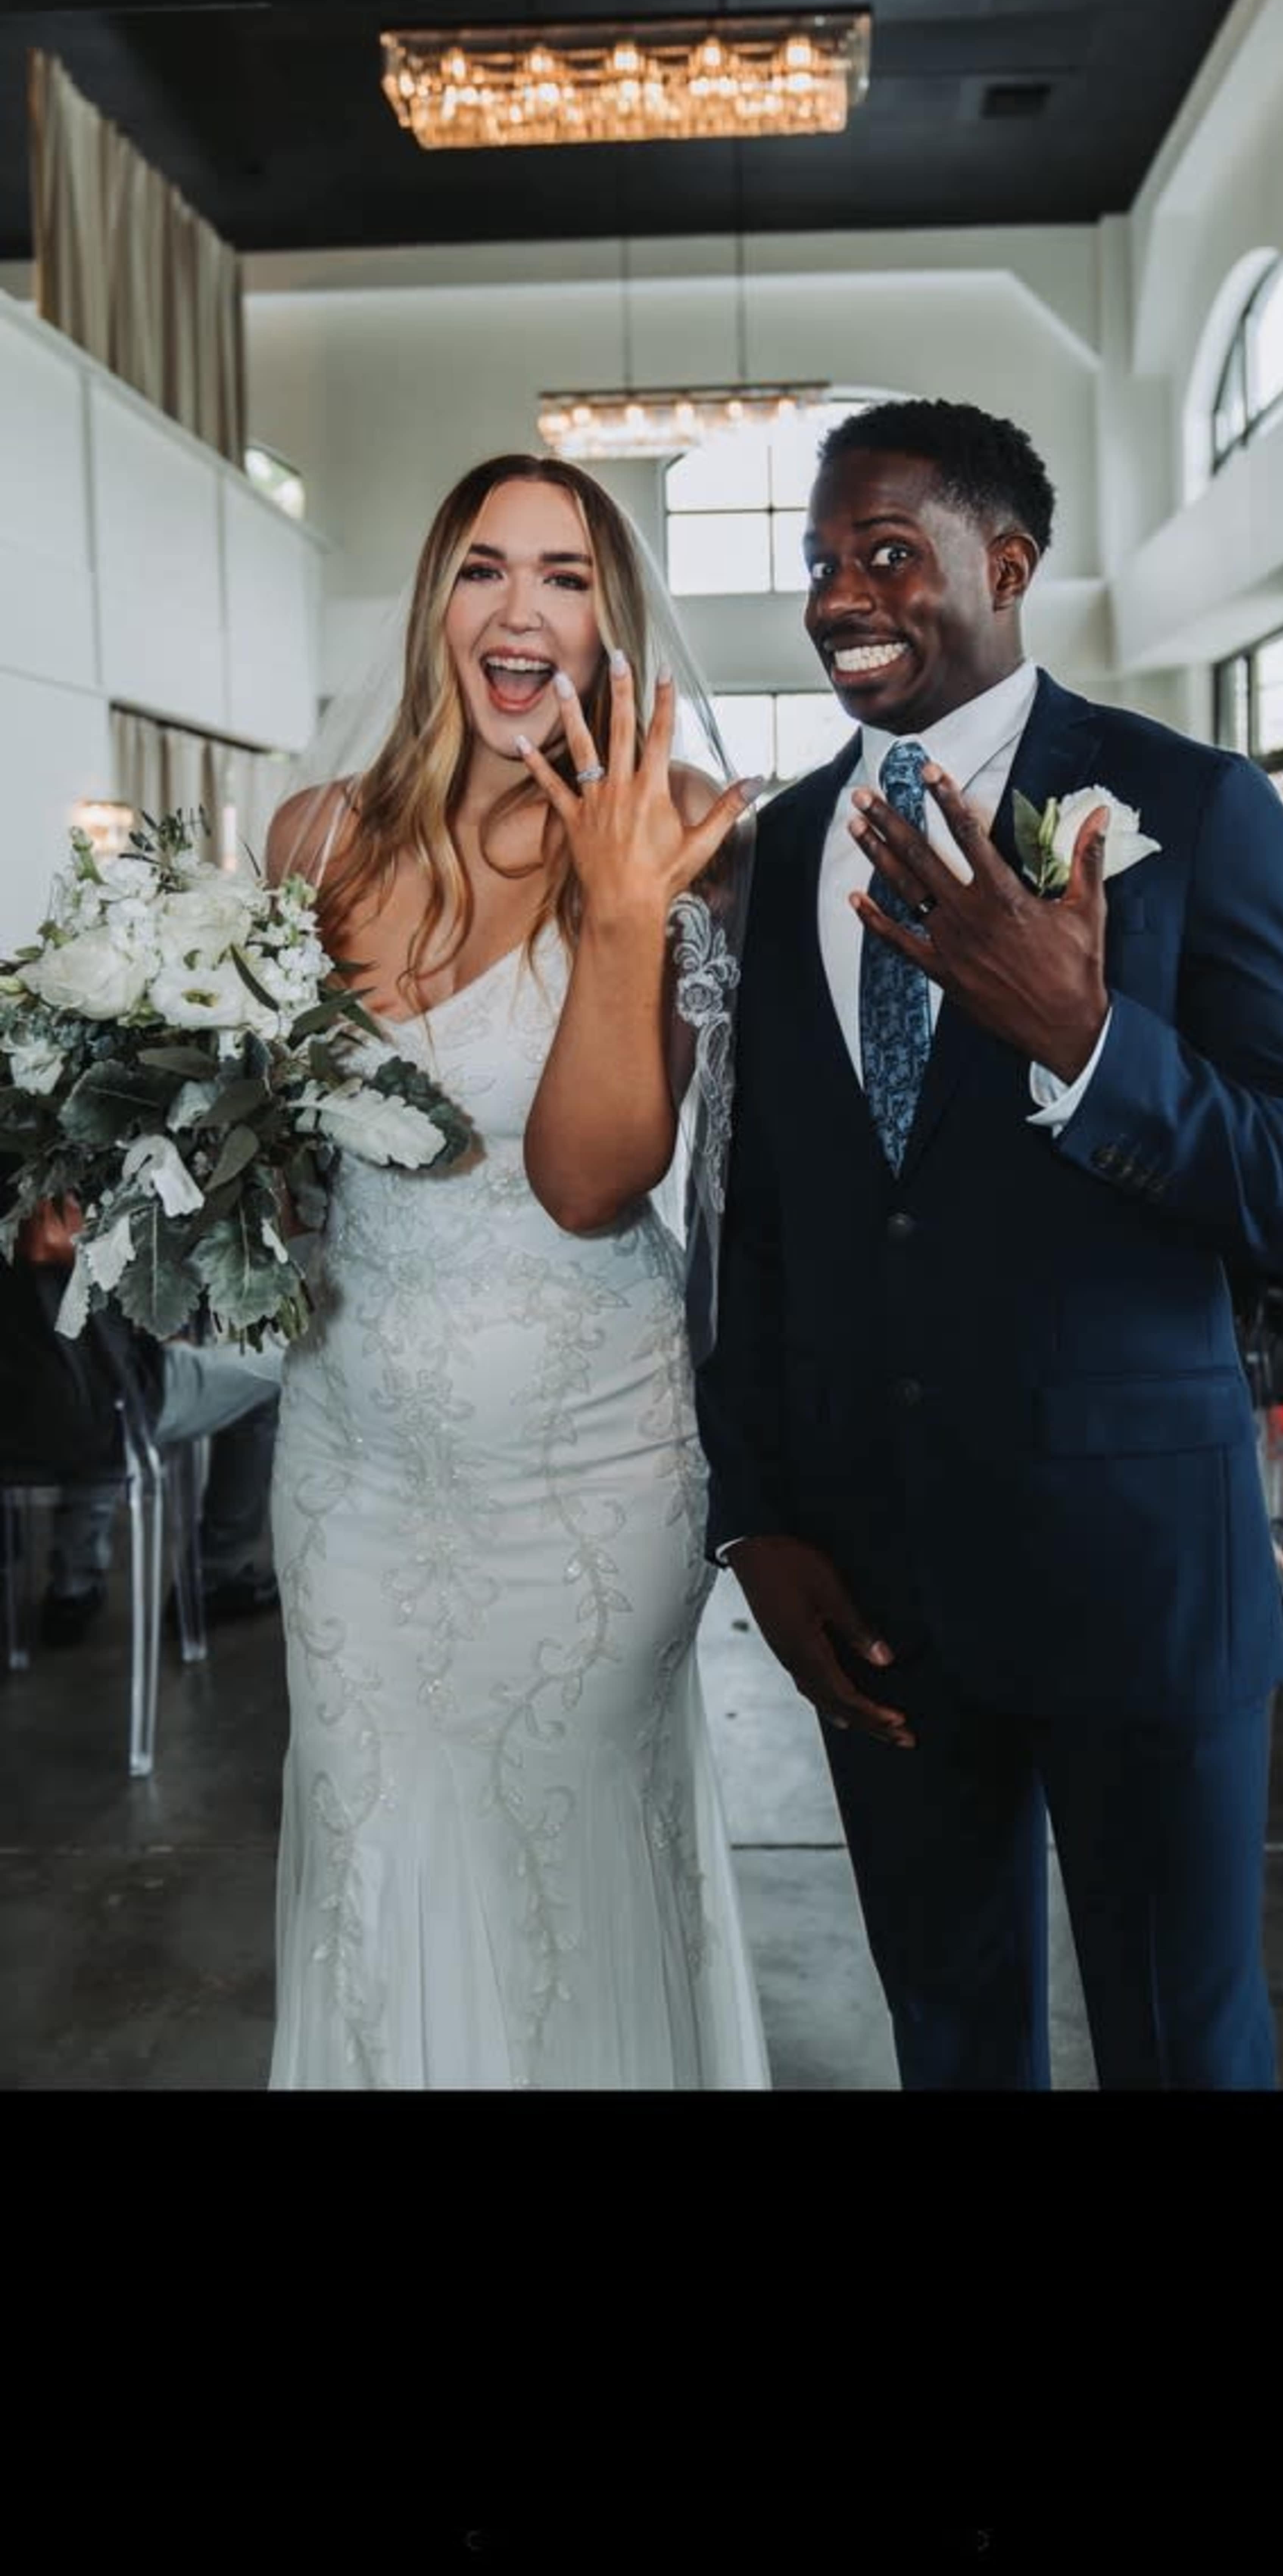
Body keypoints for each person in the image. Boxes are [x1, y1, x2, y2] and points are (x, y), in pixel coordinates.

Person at [695, 397, 1283, 2093]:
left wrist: (1093, 1043)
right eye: (818, 561)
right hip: (870, 1591)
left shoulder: (1192, 809)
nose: (838, 596)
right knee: (946, 2037)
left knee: (1179, 2047)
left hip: (1132, 1578)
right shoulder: (783, 846)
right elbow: (766, 1212)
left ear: (1005, 567)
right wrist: (755, 1516)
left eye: (888, 554)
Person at [263, 452, 769, 2092]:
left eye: (564, 575)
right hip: (353, 1461)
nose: (521, 608)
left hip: (587, 1477)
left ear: (609, 623)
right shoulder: (311, 837)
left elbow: (591, 1182)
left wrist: (618, 920)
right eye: (486, 567)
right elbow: (276, 1140)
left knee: (558, 1861)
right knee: (370, 1845)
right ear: (435, 603)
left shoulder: (689, 840)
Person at [1, 1191, 281, 1645]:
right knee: (275, 1371)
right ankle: (217, 1573)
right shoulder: (55, 1173)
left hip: (25, 1420)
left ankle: (76, 1582)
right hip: (101, 1408)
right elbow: (57, 1239)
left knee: (79, 1382)